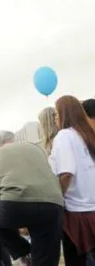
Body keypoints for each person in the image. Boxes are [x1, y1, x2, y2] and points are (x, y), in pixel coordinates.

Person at [0, 130, 64, 266]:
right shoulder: (36, 149)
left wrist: (16, 224)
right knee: (45, 258)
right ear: (15, 140)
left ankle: (22, 251)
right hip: (52, 203)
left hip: (14, 205)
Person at [49, 96, 95, 265]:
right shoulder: (88, 135)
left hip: (77, 214)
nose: (55, 117)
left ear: (65, 113)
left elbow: (66, 173)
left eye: (56, 113)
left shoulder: (64, 136)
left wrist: (57, 198)